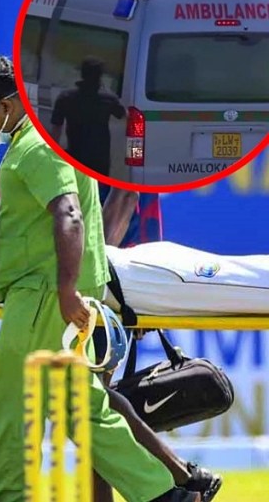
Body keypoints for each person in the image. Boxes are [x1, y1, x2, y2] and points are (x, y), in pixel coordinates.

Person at [0, 54, 198, 502]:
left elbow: (68, 215)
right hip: (54, 290)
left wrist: (66, 291)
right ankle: (162, 494)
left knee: (11, 408)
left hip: (43, 294)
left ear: (6, 104)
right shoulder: (48, 141)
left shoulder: (36, 147)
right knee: (80, 408)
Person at [94, 188, 222, 502]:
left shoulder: (110, 141)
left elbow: (127, 194)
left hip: (105, 286)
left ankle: (181, 478)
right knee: (94, 412)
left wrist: (99, 281)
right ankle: (182, 477)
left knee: (92, 406)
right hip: (114, 283)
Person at [50, 57, 126, 177]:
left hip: (75, 155)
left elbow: (56, 129)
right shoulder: (108, 99)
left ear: (82, 74)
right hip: (100, 160)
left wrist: (53, 155)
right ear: (100, 76)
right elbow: (124, 116)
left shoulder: (66, 97)